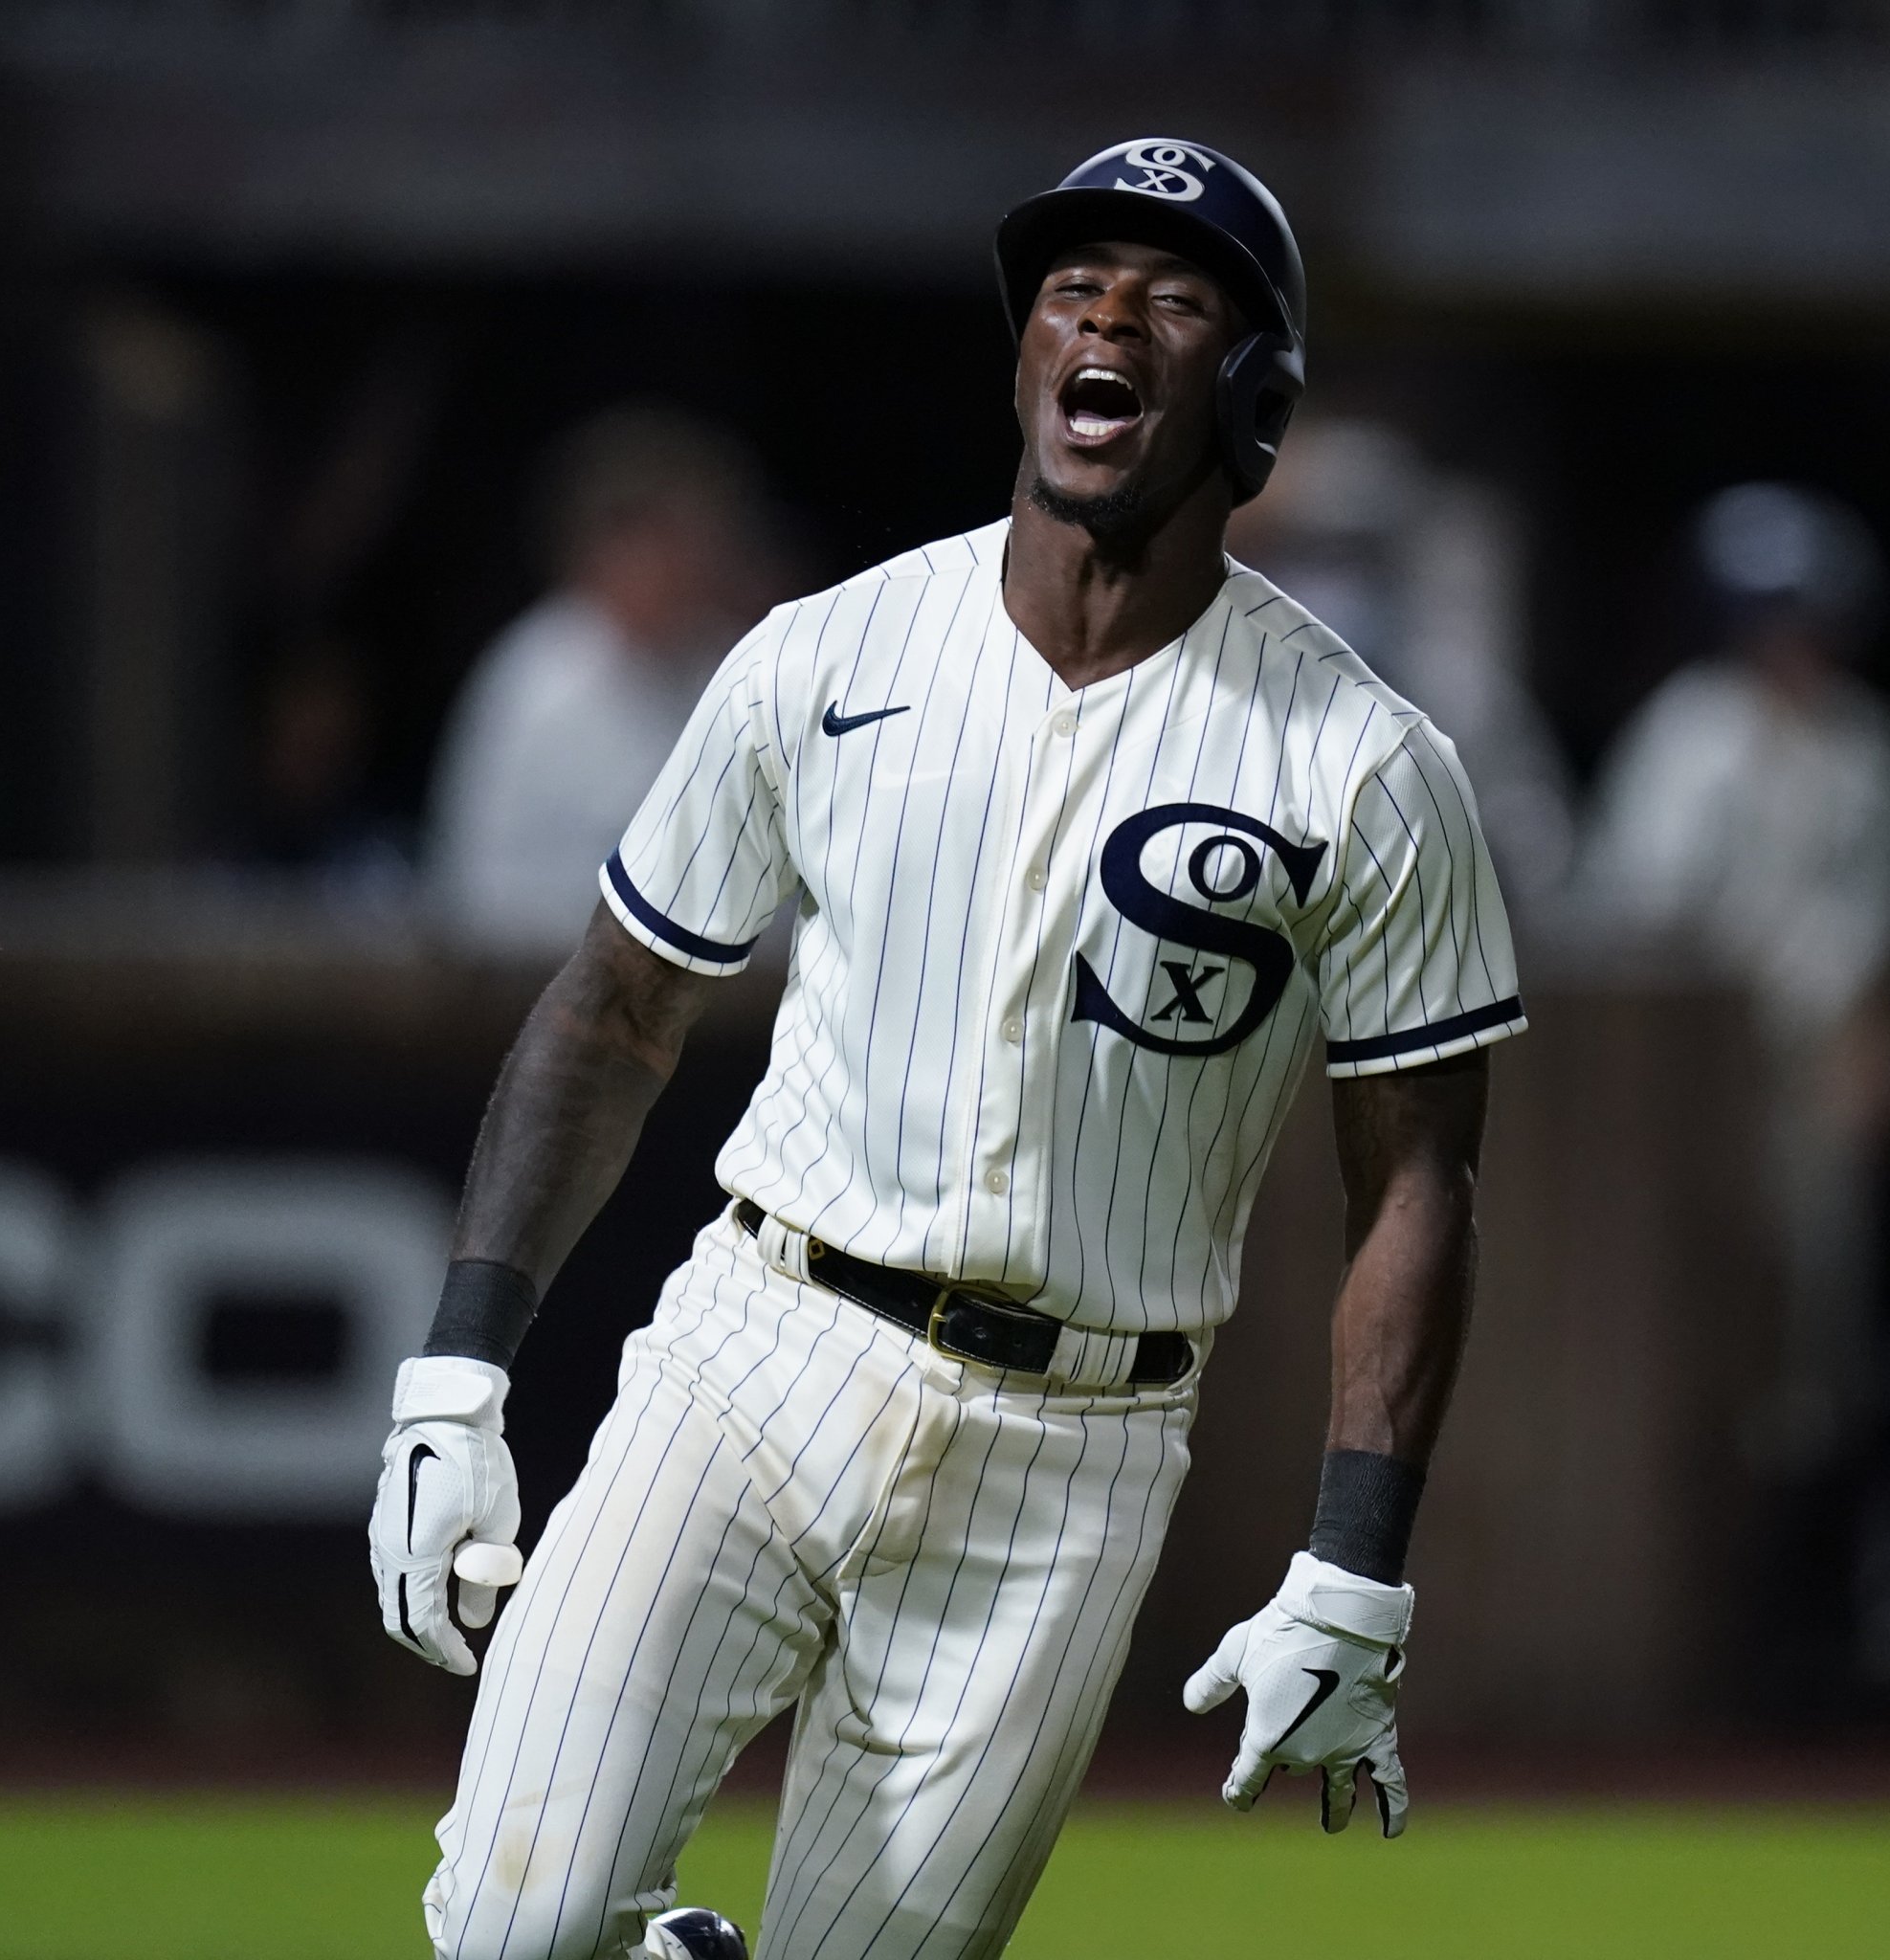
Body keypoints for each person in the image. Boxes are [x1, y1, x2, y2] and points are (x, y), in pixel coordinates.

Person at [367, 138, 1524, 1960]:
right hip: (755, 1356)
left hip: (1072, 1449)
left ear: (1258, 394)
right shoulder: (822, 654)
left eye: (1173, 298)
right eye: (1074, 289)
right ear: (1020, 360)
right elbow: (614, 1003)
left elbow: (1416, 1177)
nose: (1109, 320)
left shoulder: (1368, 766)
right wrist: (458, 1370)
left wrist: (1358, 1556)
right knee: (519, 1929)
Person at [1573, 483, 1890, 1469]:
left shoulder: (1866, 748)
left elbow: (1888, 929)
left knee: (1819, 1321)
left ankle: (1806, 1549)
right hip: (1711, 1070)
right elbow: (1638, 930)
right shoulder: (1689, 739)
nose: (1797, 647)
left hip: (1821, 1068)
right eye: (1776, 623)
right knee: (1701, 1310)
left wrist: (1882, 1047)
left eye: (1814, 624)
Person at [426, 407, 772, 958]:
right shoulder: (535, 679)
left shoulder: (732, 665)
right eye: (673, 542)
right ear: (610, 545)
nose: (697, 564)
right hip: (547, 992)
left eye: (708, 541)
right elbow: (477, 887)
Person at [1224, 415, 1574, 914]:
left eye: (1352, 556)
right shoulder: (1209, 682)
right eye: (1305, 554)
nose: (1330, 581)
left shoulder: (1457, 695)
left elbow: (1538, 870)